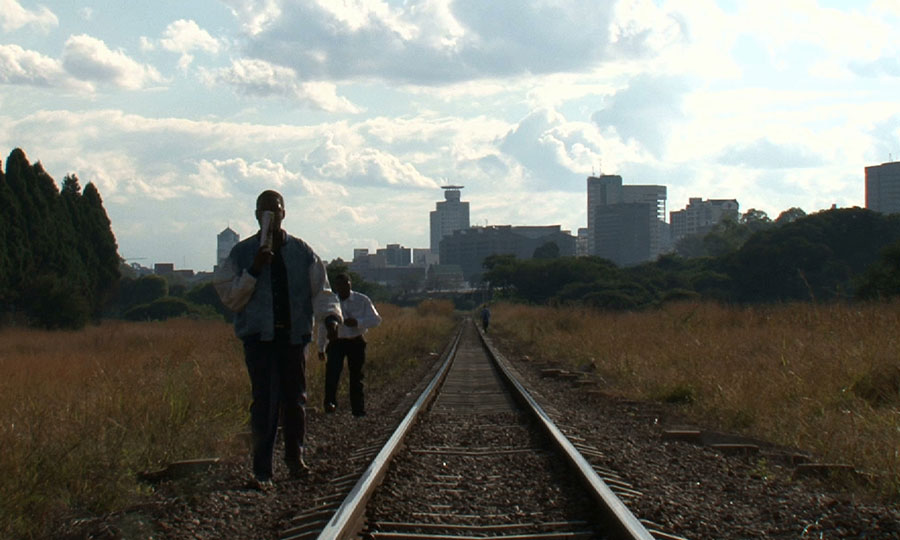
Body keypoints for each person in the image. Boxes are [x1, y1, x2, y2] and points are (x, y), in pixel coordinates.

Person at [214, 190, 341, 490]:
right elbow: (230, 297)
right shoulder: (242, 254)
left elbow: (320, 292)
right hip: (259, 338)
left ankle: (295, 459)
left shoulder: (302, 252)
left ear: (285, 214)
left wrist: (330, 318)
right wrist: (255, 269)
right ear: (256, 215)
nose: (270, 215)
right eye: (264, 210)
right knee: (265, 402)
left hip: (293, 337)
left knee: (295, 401)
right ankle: (262, 469)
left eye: (276, 210)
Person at [318, 273, 382, 417]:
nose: (342, 287)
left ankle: (358, 410)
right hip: (336, 342)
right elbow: (323, 326)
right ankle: (330, 405)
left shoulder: (362, 300)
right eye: (339, 285)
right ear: (336, 286)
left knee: (356, 377)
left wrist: (358, 322)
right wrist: (321, 347)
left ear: (350, 284)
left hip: (356, 341)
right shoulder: (331, 302)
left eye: (345, 284)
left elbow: (376, 319)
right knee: (332, 374)